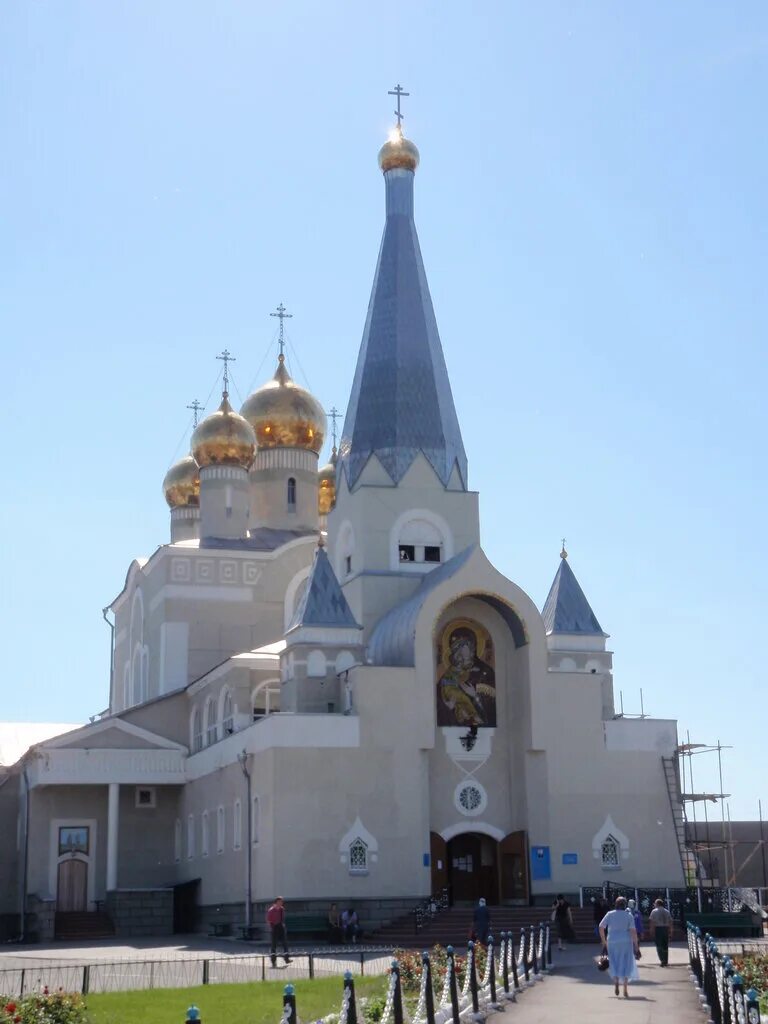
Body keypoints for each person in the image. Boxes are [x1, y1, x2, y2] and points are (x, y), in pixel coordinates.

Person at [599, 896, 639, 998]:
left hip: (612, 941)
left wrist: (604, 941)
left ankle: (616, 981)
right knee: (626, 963)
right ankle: (625, 988)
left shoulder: (610, 914)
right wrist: (636, 946)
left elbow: (601, 927)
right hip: (626, 941)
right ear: (625, 905)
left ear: (615, 904)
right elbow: (633, 932)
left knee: (614, 962)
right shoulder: (629, 915)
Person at [266, 897, 291, 967]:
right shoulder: (271, 910)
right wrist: (272, 927)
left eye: (281, 902)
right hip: (274, 927)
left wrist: (283, 925)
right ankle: (273, 961)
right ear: (276, 902)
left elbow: (282, 918)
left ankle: (286, 958)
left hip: (281, 927)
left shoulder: (282, 909)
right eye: (279, 902)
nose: (281, 903)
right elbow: (268, 920)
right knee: (274, 945)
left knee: (285, 944)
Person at [649, 898, 674, 967]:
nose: (654, 905)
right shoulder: (667, 911)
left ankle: (662, 960)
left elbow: (652, 922)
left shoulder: (654, 911)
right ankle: (666, 961)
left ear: (657, 904)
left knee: (659, 945)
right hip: (665, 929)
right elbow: (671, 922)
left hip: (658, 929)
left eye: (655, 903)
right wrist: (671, 931)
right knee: (665, 945)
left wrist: (651, 930)